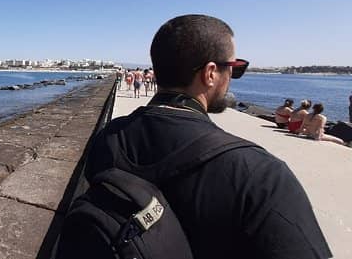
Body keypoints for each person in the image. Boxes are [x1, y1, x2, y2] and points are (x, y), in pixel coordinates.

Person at [74, 14, 331, 259]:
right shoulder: (261, 175)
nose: (232, 77)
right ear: (210, 73)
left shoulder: (107, 140)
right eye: (234, 68)